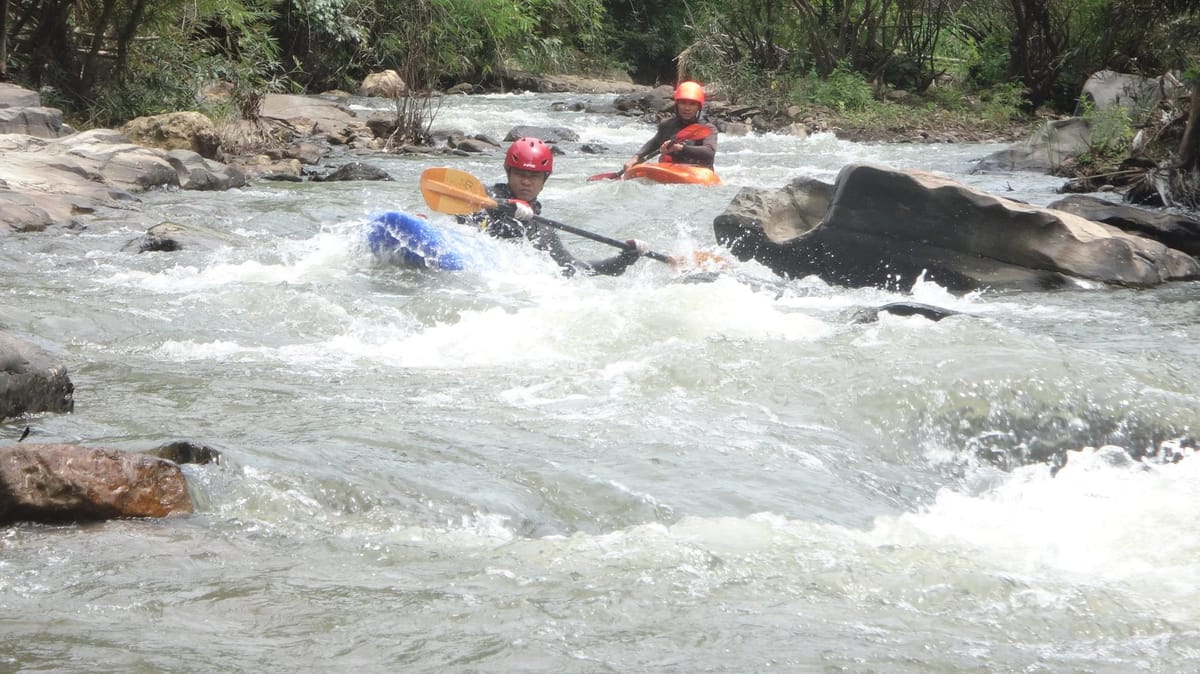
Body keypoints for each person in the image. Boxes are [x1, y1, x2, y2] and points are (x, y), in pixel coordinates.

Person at [462, 137, 650, 277]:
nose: (526, 182)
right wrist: (503, 205)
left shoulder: (542, 230)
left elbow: (574, 269)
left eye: (534, 176)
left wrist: (622, 260)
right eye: (520, 174)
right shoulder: (485, 195)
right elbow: (452, 193)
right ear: (508, 173)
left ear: (545, 179)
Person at [623, 81, 718, 172]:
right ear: (677, 105)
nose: (687, 108)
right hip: (670, 170)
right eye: (683, 103)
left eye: (692, 104)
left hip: (697, 172)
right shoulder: (667, 125)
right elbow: (655, 142)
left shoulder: (708, 128)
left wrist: (681, 148)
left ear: (699, 107)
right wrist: (636, 157)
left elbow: (709, 153)